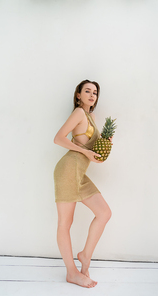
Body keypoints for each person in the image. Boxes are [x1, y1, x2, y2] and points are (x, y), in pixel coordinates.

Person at [53, 79, 112, 288]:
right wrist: (85, 151)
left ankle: (85, 256)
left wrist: (105, 144)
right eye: (87, 91)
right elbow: (58, 138)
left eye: (95, 92)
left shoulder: (92, 117)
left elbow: (93, 151)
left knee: (104, 213)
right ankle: (71, 272)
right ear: (78, 95)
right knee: (65, 223)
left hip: (80, 174)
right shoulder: (78, 113)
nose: (91, 94)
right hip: (68, 170)